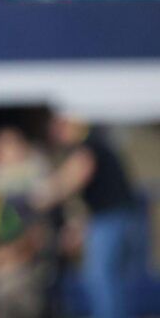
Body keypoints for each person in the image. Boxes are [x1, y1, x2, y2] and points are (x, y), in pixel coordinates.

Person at [32, 115, 139, 318]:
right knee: (111, 278)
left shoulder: (88, 145)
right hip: (112, 217)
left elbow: (73, 176)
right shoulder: (93, 144)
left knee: (99, 276)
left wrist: (42, 195)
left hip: (111, 218)